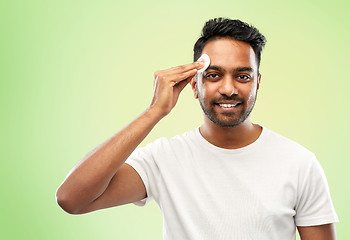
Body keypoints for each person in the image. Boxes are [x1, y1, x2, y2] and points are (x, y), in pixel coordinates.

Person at [56, 18, 339, 239]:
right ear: (194, 84)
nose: (228, 89)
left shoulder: (299, 163)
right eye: (214, 75)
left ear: (257, 83)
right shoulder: (163, 159)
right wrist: (154, 111)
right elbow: (72, 199)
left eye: (242, 76)